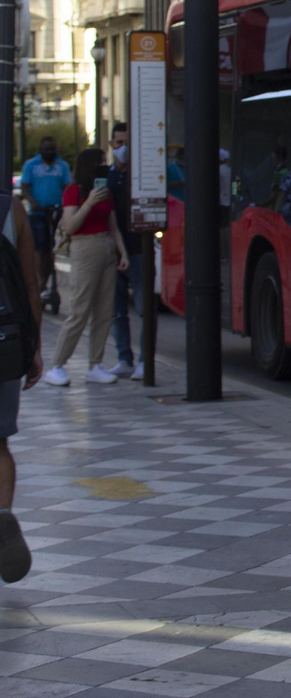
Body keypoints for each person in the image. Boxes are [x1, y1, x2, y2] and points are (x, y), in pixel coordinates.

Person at [41, 149, 130, 387]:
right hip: (84, 248)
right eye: (100, 162)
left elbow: (113, 226)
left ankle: (95, 364)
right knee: (80, 310)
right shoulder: (74, 191)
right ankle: (57, 365)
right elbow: (70, 226)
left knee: (103, 312)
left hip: (106, 247)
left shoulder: (106, 193)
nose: (104, 165)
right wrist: (89, 202)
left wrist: (123, 252)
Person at [0, 189, 44, 583]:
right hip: (6, 344)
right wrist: (34, 349)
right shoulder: (10, 208)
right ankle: (2, 514)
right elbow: (31, 285)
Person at [107, 123, 142, 380]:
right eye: (119, 143)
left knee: (143, 308)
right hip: (111, 253)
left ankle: (144, 361)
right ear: (111, 145)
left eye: (127, 144)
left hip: (138, 249)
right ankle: (124, 359)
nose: (123, 149)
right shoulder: (104, 178)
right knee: (117, 310)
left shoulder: (141, 177)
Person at [19, 135, 71, 300]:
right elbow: (25, 187)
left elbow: (67, 186)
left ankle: (46, 281)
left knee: (50, 249)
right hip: (37, 213)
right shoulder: (31, 165)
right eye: (46, 149)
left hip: (54, 212)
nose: (50, 152)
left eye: (52, 149)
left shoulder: (62, 166)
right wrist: (33, 202)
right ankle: (39, 283)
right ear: (41, 150)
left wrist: (64, 203)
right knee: (39, 248)